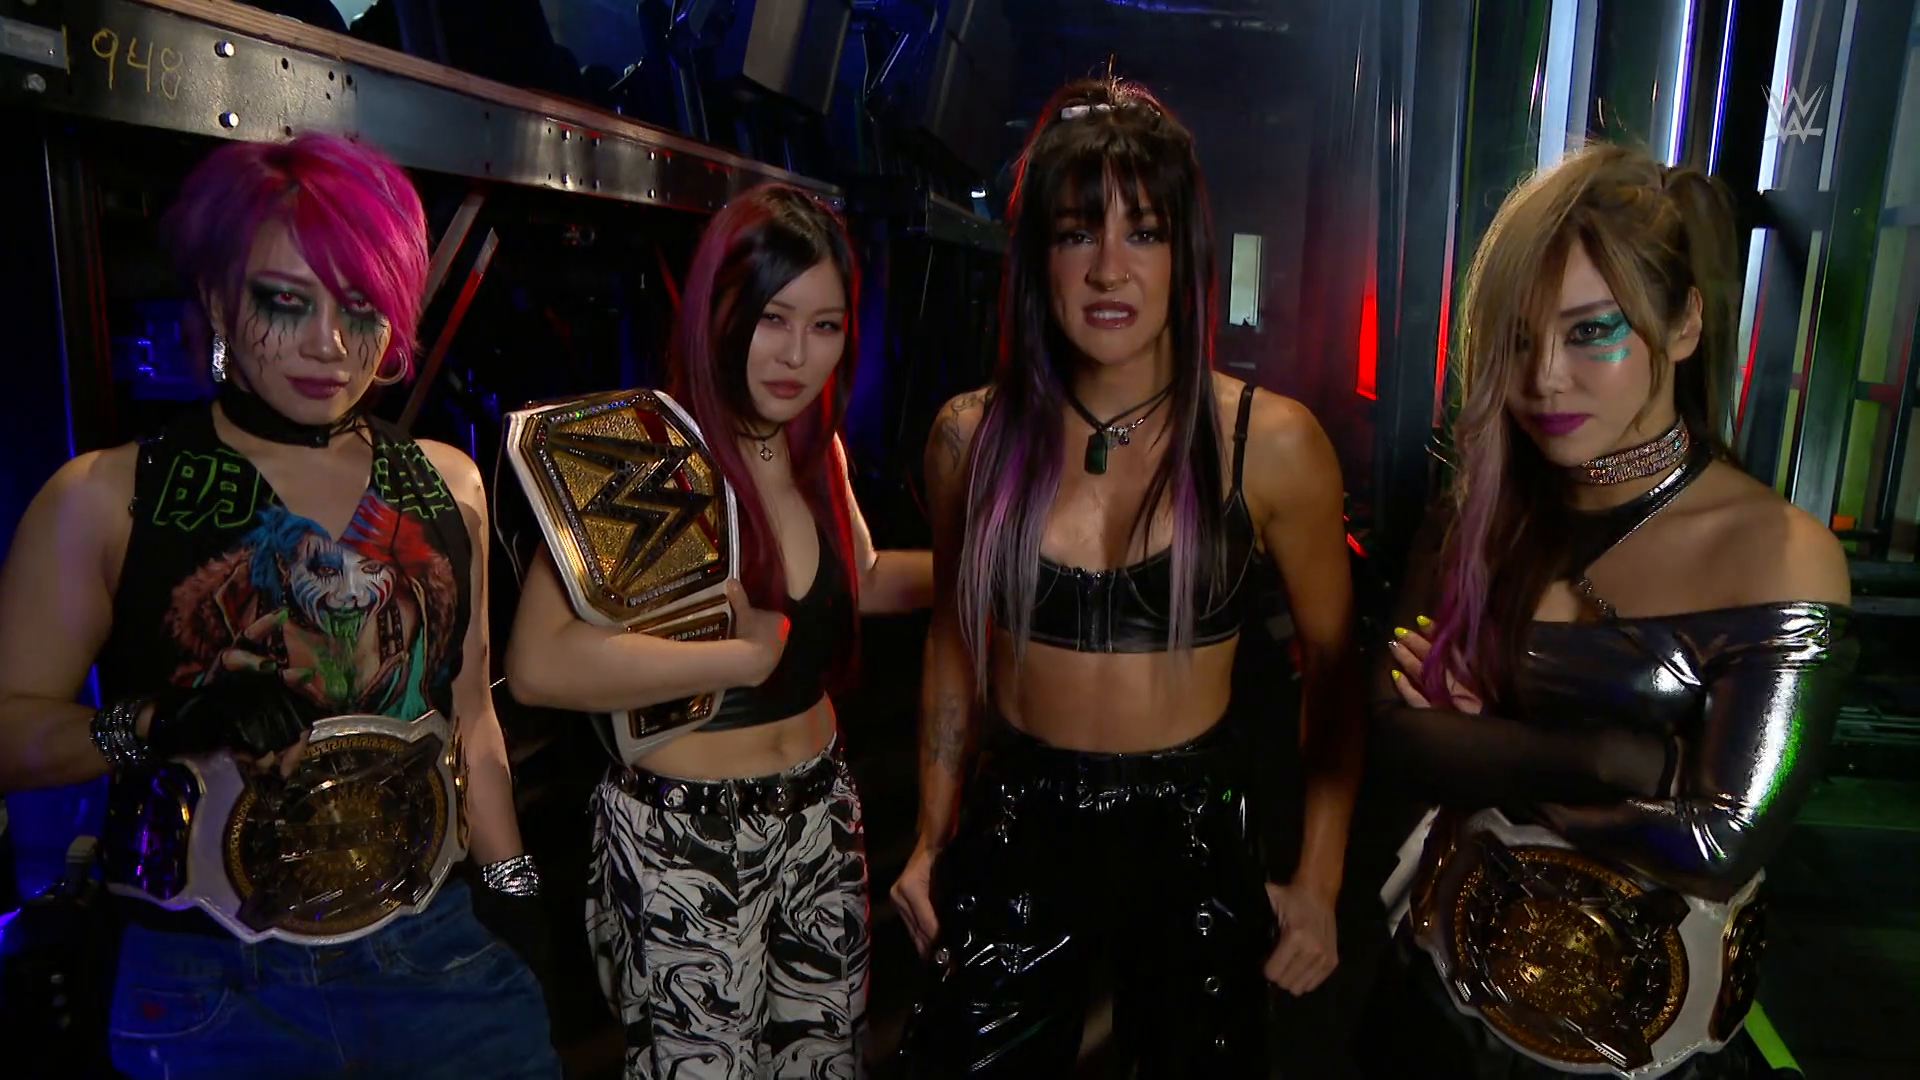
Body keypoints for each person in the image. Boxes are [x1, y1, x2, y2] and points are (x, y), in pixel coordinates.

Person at [0, 134, 559, 1077]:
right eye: (285, 301)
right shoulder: (105, 497)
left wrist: (512, 891)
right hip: (210, 982)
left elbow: (472, 717)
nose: (328, 345)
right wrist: (156, 723)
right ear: (220, 299)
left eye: (361, 307)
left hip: (439, 952)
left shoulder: (445, 482)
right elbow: (9, 733)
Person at [892, 77, 1365, 1077]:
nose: (1109, 268)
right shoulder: (970, 439)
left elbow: (1335, 671)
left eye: (1143, 233)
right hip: (1021, 817)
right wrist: (930, 839)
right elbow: (952, 641)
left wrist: (1320, 883)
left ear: (1185, 255)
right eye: (1077, 234)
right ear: (1039, 256)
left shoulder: (1271, 445)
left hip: (1191, 828)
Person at [1363, 142, 1856, 1079]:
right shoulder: (1476, 511)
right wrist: (1617, 760)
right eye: (1518, 339)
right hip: (1431, 1011)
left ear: (1684, 324)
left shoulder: (1777, 551)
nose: (1544, 377)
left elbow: (1713, 843)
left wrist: (1489, 749)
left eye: (1591, 332)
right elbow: (1393, 738)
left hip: (1645, 1055)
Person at [505, 183, 933, 1080]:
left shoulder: (815, 447)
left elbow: (864, 578)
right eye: (774, 318)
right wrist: (740, 657)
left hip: (819, 816)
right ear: (719, 310)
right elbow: (539, 665)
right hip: (687, 841)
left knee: (825, 1065)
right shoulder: (647, 454)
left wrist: (997, 565)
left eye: (825, 326)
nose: (798, 355)